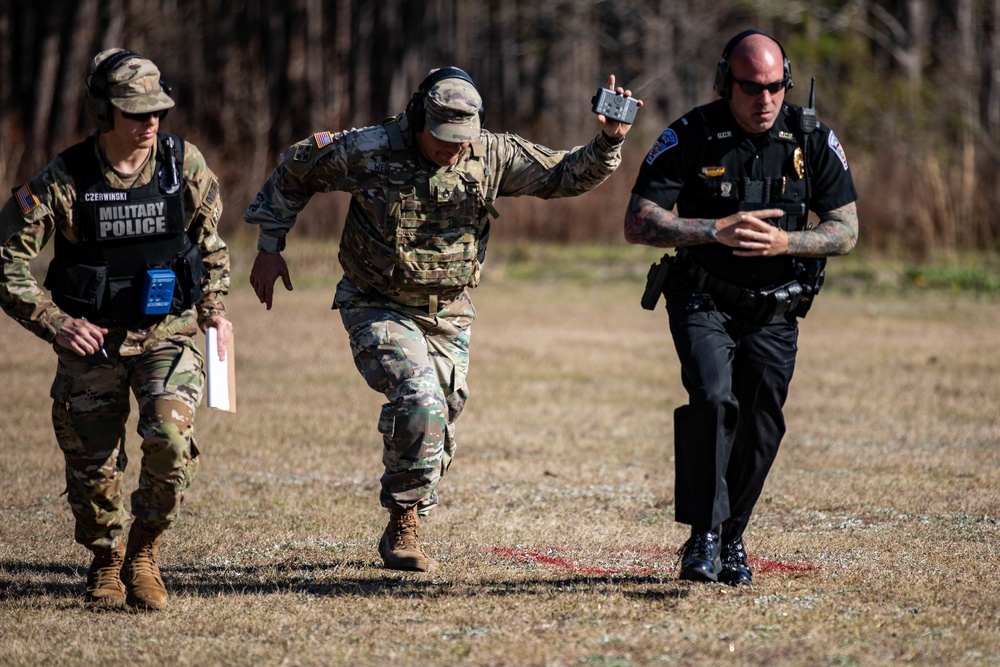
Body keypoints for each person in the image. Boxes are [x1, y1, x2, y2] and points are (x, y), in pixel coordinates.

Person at [246, 67, 639, 572]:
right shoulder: (369, 148)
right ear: (418, 120)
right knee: (421, 400)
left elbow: (564, 175)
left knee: (441, 418)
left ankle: (406, 510)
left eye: (461, 141)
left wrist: (609, 140)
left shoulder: (492, 154)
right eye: (442, 139)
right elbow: (296, 170)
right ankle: (404, 523)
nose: (452, 150)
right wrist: (269, 246)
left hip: (450, 311)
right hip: (377, 301)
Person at [0, 49, 232, 610]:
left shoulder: (184, 164)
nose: (150, 123)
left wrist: (213, 308)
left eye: (157, 112)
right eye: (135, 113)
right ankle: (105, 561)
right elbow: (6, 258)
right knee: (92, 464)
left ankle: (144, 553)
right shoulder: (67, 177)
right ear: (104, 113)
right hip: (94, 342)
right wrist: (55, 322)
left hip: (167, 334)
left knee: (170, 439)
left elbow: (212, 246)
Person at [625, 30, 858, 585]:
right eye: (751, 87)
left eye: (775, 87)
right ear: (725, 84)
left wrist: (787, 244)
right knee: (712, 398)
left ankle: (731, 537)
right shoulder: (691, 133)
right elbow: (638, 222)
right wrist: (712, 230)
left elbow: (845, 230)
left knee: (761, 425)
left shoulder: (811, 137)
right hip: (702, 294)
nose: (765, 99)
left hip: (776, 307)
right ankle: (703, 537)